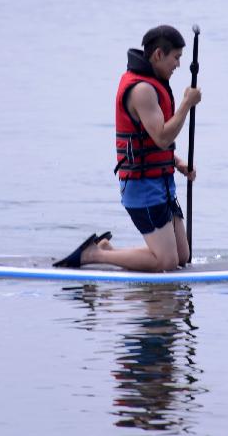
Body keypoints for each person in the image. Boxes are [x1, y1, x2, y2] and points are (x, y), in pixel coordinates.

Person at [54, 25, 202, 271]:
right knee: (165, 262)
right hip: (143, 186)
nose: (178, 65)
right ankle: (93, 256)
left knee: (181, 257)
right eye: (175, 58)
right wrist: (186, 104)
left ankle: (108, 251)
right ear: (157, 55)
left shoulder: (154, 83)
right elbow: (162, 138)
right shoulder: (142, 90)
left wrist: (176, 162)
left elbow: (148, 141)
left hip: (161, 182)